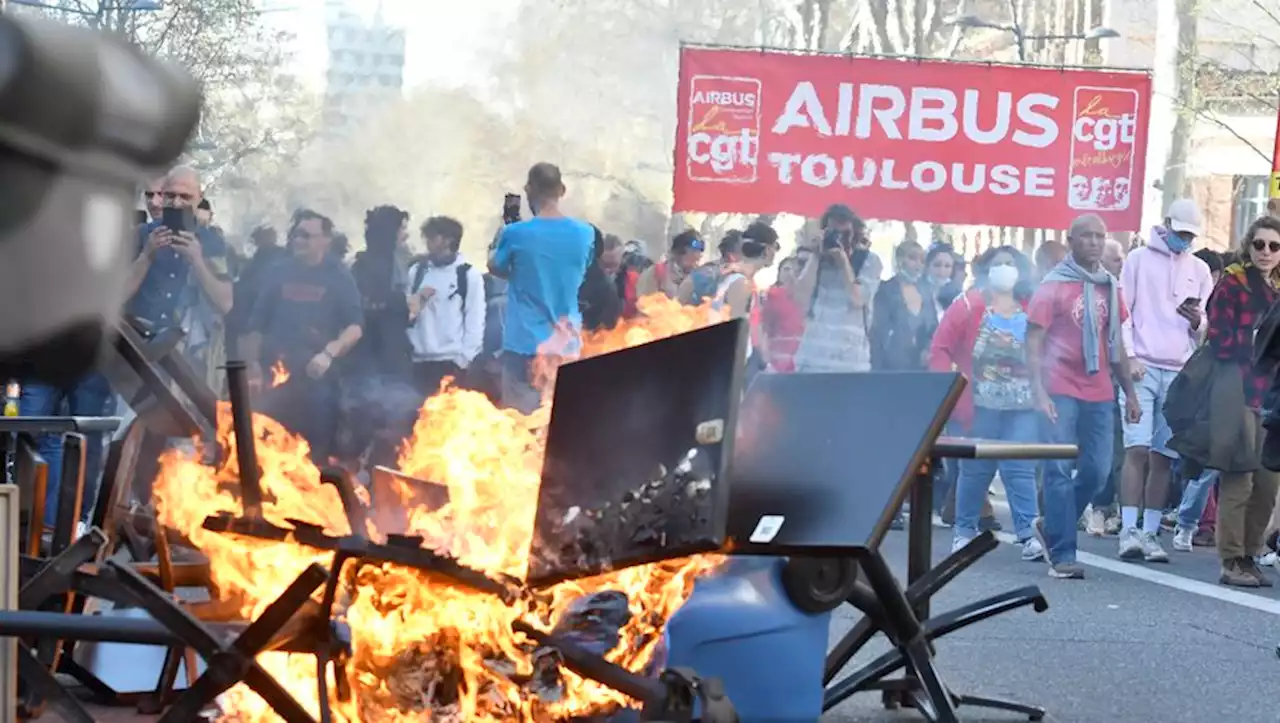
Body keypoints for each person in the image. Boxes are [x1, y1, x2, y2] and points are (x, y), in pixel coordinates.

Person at [1028, 214, 1141, 580]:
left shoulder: (1110, 285)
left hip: (1100, 389)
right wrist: (1039, 391)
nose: (1093, 242)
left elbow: (1118, 346)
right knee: (1058, 471)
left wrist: (1131, 394)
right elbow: (1032, 341)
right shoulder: (1053, 285)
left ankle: (1052, 524)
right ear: (1071, 240)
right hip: (1059, 388)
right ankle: (1062, 554)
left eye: (1099, 236)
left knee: (1097, 471)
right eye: (1086, 236)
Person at [1117, 199, 1214, 562]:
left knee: (1163, 456)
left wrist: (1195, 321)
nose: (1184, 240)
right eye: (1179, 232)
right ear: (1165, 225)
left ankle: (1149, 532)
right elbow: (1123, 312)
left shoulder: (1201, 269)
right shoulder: (1138, 260)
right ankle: (1128, 529)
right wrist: (1129, 357)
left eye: (1189, 235)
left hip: (1178, 372)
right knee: (1136, 449)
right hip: (1142, 364)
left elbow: (1201, 329)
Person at [931, 246, 1043, 561]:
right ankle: (964, 532)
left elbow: (1047, 348)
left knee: (1020, 468)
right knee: (975, 470)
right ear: (985, 270)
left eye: (1011, 264)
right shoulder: (967, 304)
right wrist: (947, 391)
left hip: (1022, 405)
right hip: (978, 405)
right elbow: (940, 348)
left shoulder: (1030, 307)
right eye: (998, 264)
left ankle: (1028, 535)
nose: (1005, 269)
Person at [242, 210, 363, 463]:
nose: (299, 241)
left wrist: (329, 353)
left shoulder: (339, 276)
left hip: (317, 381)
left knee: (313, 455)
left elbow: (355, 327)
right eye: (296, 235)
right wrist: (252, 367)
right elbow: (256, 324)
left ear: (325, 241)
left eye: (306, 236)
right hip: (275, 379)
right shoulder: (278, 272)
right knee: (268, 450)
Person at [1203, 217, 1280, 587]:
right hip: (1235, 387)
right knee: (1239, 477)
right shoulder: (1232, 283)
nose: (1266, 252)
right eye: (1260, 244)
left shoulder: (1277, 289)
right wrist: (1252, 343)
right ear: (1249, 246)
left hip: (1271, 394)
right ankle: (1230, 560)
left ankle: (1250, 555)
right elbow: (1217, 336)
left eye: (1274, 246)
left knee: (1267, 481)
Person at [487, 162, 593, 414]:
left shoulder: (515, 233)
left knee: (520, 427)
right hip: (566, 347)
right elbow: (582, 269)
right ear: (562, 190)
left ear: (528, 190)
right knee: (558, 424)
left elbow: (497, 267)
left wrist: (497, 245)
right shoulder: (585, 233)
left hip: (524, 345)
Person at [124, 165, 233, 380]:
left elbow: (225, 303)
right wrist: (146, 256)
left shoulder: (212, 241)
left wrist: (198, 261)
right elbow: (115, 296)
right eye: (171, 195)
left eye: (185, 197)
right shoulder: (140, 234)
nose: (176, 203)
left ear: (199, 198)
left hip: (185, 357)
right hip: (138, 348)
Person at [791, 204, 883, 373]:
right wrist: (816, 255)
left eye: (845, 234)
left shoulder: (869, 261)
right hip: (812, 361)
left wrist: (843, 262)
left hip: (851, 365)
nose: (839, 239)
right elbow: (800, 298)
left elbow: (858, 298)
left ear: (856, 233)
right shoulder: (814, 258)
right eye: (834, 233)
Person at [407, 216, 486, 395]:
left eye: (432, 237)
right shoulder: (417, 272)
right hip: (418, 362)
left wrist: (463, 361)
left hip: (451, 362)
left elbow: (475, 320)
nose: (427, 243)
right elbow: (408, 313)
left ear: (448, 240)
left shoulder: (467, 275)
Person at [870, 240, 938, 372]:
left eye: (922, 260)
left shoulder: (926, 293)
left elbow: (934, 329)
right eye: (912, 258)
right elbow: (877, 334)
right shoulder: (885, 290)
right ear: (899, 260)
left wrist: (928, 349)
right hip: (890, 368)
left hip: (919, 368)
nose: (918, 264)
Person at [760, 256, 805, 373]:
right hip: (778, 363)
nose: (790, 274)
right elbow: (764, 330)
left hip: (802, 362)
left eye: (795, 270)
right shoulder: (772, 296)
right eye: (786, 269)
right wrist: (767, 362)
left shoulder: (807, 297)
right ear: (779, 273)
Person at [637, 230, 706, 300]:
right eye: (693, 251)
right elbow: (644, 303)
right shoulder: (656, 273)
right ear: (679, 252)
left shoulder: (700, 278)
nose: (698, 256)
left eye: (699, 252)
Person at [579, 228, 624, 331]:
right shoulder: (584, 282)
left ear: (621, 259)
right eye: (605, 264)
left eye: (613, 265)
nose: (609, 270)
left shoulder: (631, 281)